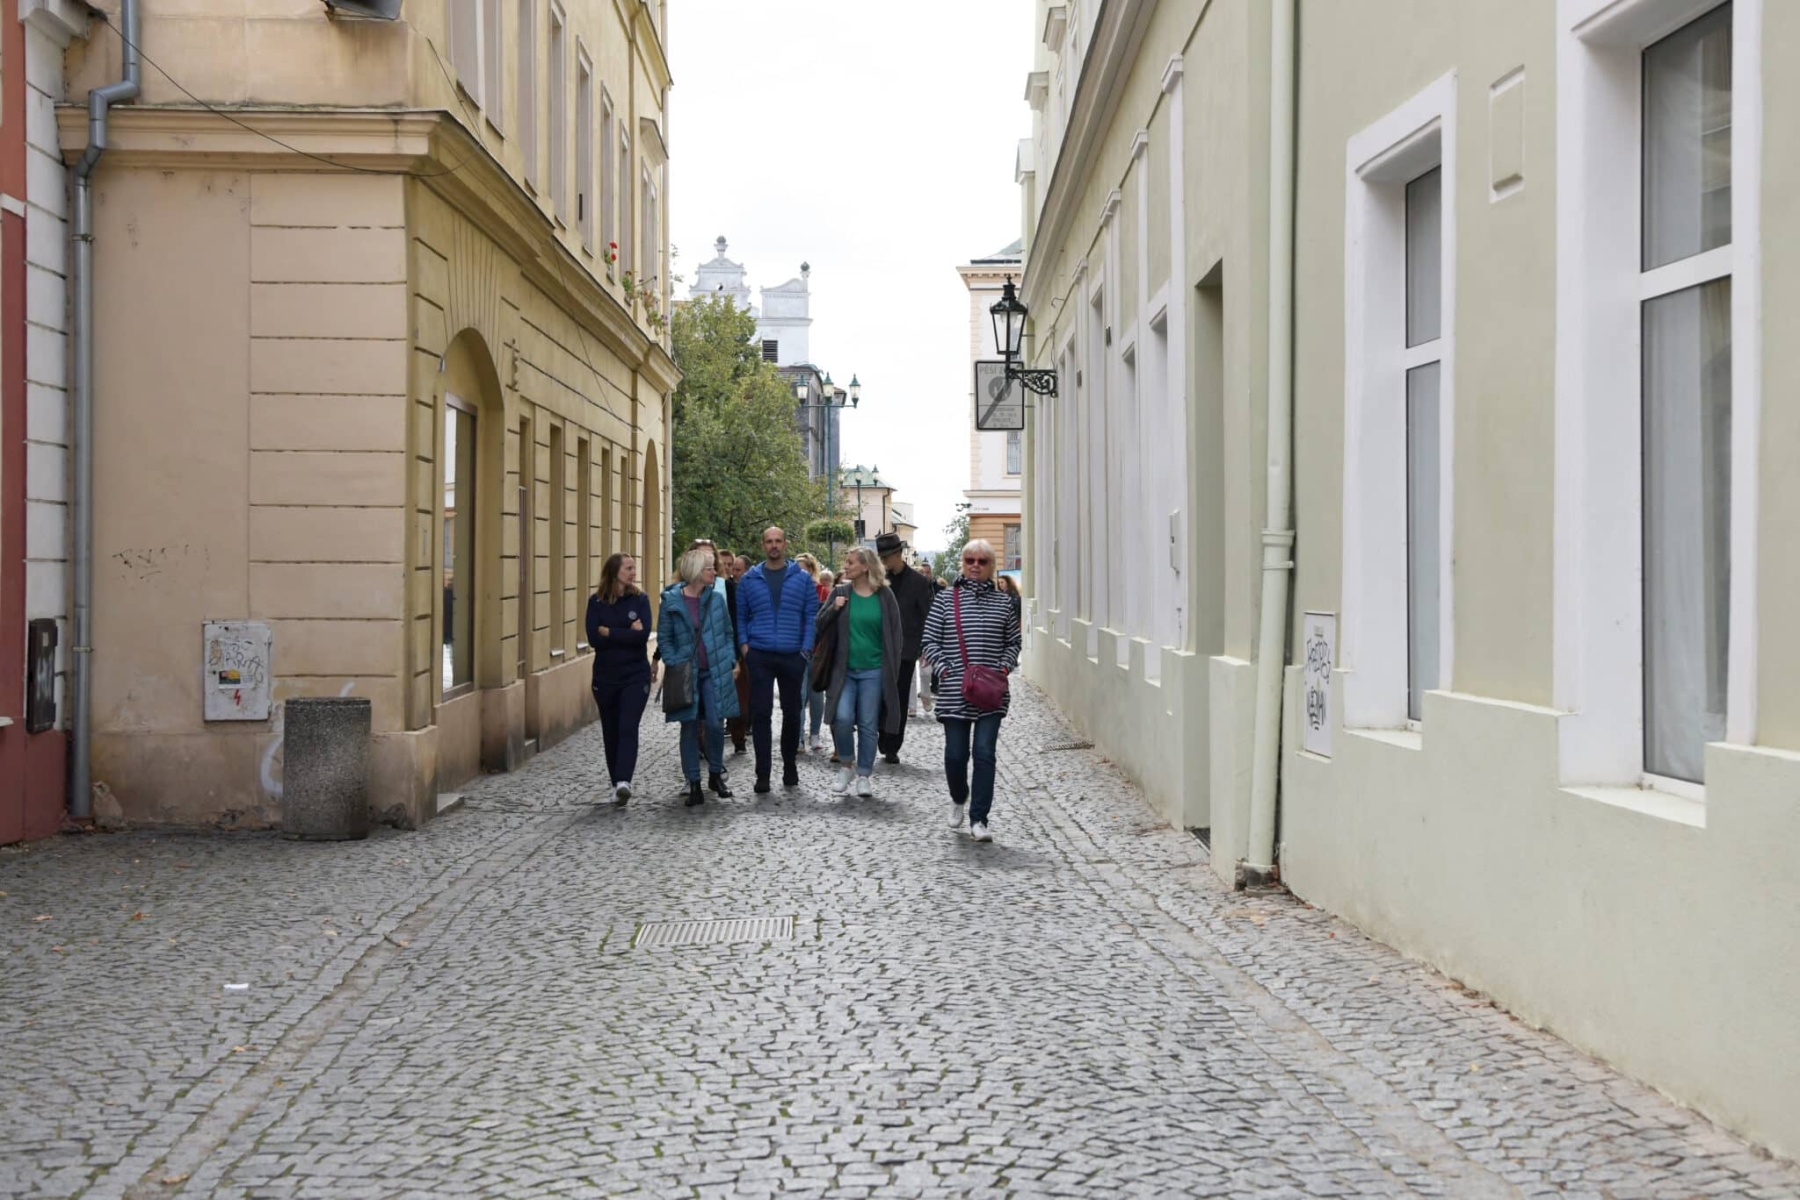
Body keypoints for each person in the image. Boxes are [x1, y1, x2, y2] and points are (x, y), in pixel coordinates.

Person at [921, 539, 1022, 843]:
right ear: (962, 564)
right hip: (955, 690)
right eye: (970, 560)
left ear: (991, 566)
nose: (975, 566)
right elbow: (930, 640)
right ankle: (958, 796)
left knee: (984, 753)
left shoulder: (1003, 603)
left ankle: (979, 818)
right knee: (955, 755)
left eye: (982, 561)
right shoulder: (945, 600)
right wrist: (946, 669)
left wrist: (1002, 668)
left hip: (991, 692)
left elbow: (1013, 642)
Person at [814, 546, 903, 797]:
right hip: (844, 671)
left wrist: (892, 670)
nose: (846, 565)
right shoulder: (840, 592)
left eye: (851, 562)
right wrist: (834, 608)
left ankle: (864, 774)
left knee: (867, 724)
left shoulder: (884, 596)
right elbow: (818, 624)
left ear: (866, 566)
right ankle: (846, 765)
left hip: (874, 671)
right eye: (846, 561)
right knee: (842, 718)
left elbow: (896, 634)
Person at [736, 525, 819, 793]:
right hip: (759, 654)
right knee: (761, 713)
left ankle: (789, 765)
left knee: (792, 713)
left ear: (785, 544)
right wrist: (745, 647)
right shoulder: (750, 579)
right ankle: (763, 773)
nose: (774, 545)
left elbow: (811, 615)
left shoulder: (802, 579)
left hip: (792, 654)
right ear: (763, 545)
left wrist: (805, 650)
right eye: (769, 541)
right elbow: (740, 616)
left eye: (778, 541)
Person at [658, 547, 740, 807]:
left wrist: (729, 658)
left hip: (714, 670)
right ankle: (693, 782)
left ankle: (715, 774)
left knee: (715, 723)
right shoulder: (671, 601)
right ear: (695, 571)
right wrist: (673, 661)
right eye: (709, 568)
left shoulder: (715, 599)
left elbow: (728, 632)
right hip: (686, 672)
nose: (714, 572)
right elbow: (664, 637)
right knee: (689, 726)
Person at [585, 553, 652, 804]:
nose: (634, 572)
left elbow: (642, 636)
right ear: (614, 572)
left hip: (635, 675)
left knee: (627, 726)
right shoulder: (597, 602)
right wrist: (626, 632)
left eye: (634, 568)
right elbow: (594, 638)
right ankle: (616, 784)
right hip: (606, 677)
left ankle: (624, 781)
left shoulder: (640, 600)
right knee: (611, 730)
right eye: (628, 568)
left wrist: (610, 632)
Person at [874, 533, 935, 766]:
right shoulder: (877, 579)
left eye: (887, 557)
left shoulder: (918, 582)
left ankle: (893, 745)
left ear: (899, 554)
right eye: (881, 557)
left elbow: (926, 615)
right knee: (879, 695)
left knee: (898, 698)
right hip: (878, 648)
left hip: (906, 650)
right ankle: (882, 732)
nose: (884, 561)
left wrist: (923, 646)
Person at [728, 553, 755, 753]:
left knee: (742, 697)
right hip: (724, 648)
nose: (733, 572)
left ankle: (740, 734)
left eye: (736, 568)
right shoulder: (725, 588)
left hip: (744, 649)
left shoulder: (749, 590)